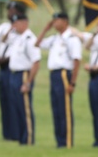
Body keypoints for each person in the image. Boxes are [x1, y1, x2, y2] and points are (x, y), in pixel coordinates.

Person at [35, 12, 82, 148]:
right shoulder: (55, 38)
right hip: (54, 75)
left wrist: (72, 82)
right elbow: (37, 43)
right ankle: (59, 140)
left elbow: (76, 61)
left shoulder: (72, 39)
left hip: (64, 74)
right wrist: (45, 29)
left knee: (65, 109)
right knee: (56, 108)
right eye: (53, 21)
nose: (54, 23)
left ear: (65, 22)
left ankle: (66, 141)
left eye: (57, 21)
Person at [0, 3, 24, 141]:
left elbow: (18, 52)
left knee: (12, 100)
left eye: (13, 10)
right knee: (3, 100)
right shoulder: (4, 27)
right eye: (9, 10)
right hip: (2, 68)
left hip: (11, 67)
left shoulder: (21, 31)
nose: (10, 13)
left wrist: (4, 59)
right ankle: (7, 132)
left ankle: (15, 132)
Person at [5, 12, 41, 146]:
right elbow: (3, 39)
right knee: (17, 107)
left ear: (25, 23)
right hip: (14, 74)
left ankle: (29, 137)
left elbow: (36, 62)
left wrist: (28, 82)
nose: (14, 26)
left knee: (25, 108)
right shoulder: (17, 38)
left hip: (24, 75)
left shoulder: (30, 39)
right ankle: (21, 136)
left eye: (17, 23)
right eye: (13, 23)